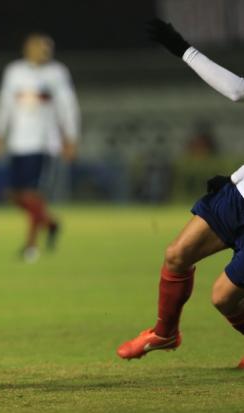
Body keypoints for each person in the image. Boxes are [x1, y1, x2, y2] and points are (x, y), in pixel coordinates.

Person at [117, 19, 244, 368]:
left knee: (223, 299)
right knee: (177, 255)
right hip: (238, 196)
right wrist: (183, 49)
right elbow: (237, 90)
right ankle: (165, 333)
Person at [0, 33, 80, 262]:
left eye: (47, 48)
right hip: (18, 142)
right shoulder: (14, 71)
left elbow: (68, 106)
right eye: (39, 47)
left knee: (34, 195)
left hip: (44, 143)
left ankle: (31, 246)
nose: (44, 52)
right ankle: (50, 222)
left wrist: (70, 137)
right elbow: (5, 104)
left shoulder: (57, 73)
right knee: (13, 194)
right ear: (27, 49)